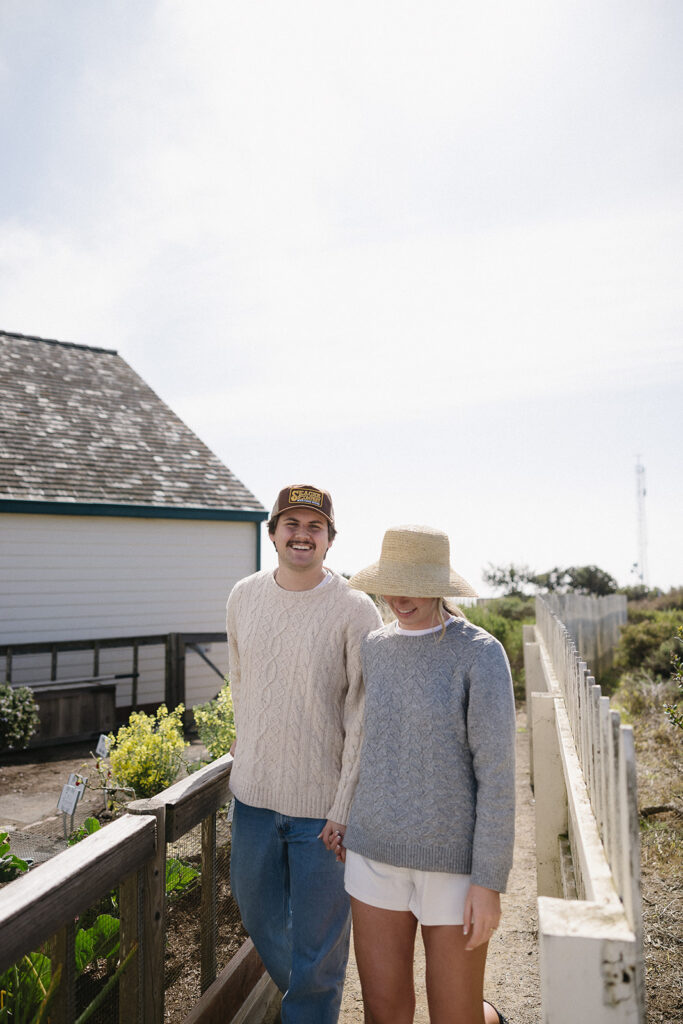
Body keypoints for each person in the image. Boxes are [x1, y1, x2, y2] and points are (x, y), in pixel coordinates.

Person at [324, 524, 516, 1024]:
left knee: (457, 1015)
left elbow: (496, 775)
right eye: (391, 581)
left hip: (454, 867)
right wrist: (343, 815)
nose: (398, 596)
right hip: (374, 856)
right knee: (385, 1014)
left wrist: (489, 882)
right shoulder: (375, 648)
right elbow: (364, 741)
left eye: (412, 583)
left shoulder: (480, 653)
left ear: (440, 585)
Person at [226, 484, 382, 1023]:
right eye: (291, 524)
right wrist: (245, 741)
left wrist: (343, 807)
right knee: (258, 915)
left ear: (329, 541)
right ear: (272, 534)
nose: (302, 534)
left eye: (314, 526)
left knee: (319, 949)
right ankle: (311, 996)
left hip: (323, 814)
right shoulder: (242, 597)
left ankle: (312, 1006)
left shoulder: (355, 609)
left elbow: (363, 715)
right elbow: (242, 681)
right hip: (252, 798)